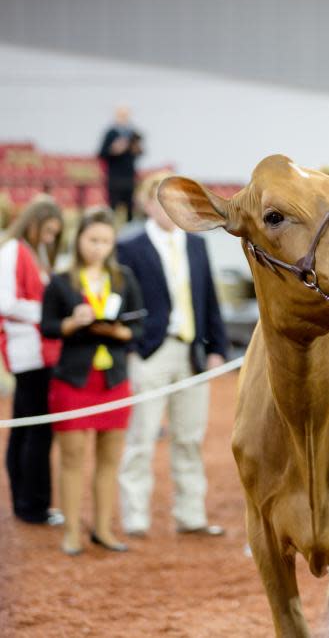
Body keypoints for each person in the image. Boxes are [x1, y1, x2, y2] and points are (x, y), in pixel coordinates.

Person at [116, 171, 228, 538]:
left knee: (189, 436)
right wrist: (132, 347)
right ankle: (135, 517)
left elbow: (209, 297)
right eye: (160, 199)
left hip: (192, 350)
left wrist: (217, 348)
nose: (168, 208)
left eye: (174, 201)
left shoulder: (195, 244)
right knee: (141, 436)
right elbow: (123, 303)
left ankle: (190, 513)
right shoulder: (130, 247)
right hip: (150, 351)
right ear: (146, 204)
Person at [41, 207, 143, 555]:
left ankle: (102, 529)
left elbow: (138, 327)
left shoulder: (123, 278)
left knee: (109, 459)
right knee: (71, 458)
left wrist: (119, 330)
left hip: (113, 380)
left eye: (105, 241)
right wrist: (72, 322)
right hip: (73, 380)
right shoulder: (61, 281)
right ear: (79, 239)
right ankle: (71, 532)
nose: (98, 247)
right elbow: (48, 327)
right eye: (92, 240)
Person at [1, 195, 64, 525]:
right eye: (49, 231)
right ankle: (32, 505)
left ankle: (28, 502)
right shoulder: (13, 250)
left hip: (39, 349)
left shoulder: (35, 253)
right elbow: (5, 302)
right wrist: (47, 314)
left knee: (27, 428)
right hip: (27, 351)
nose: (51, 238)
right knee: (35, 430)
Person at [98, 105, 143, 222]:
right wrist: (113, 150)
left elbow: (140, 152)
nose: (123, 118)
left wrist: (136, 149)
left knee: (130, 209)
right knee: (112, 208)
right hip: (114, 178)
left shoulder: (133, 133)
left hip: (129, 178)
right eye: (120, 115)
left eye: (125, 115)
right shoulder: (111, 133)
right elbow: (101, 154)